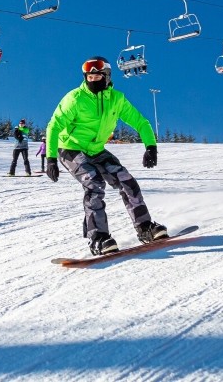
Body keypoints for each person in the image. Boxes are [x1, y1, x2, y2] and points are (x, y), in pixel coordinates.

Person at [45, 56, 167, 255]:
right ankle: (98, 239)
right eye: (89, 77)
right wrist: (50, 158)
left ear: (107, 76)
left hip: (96, 150)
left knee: (126, 180)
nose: (92, 80)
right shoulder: (75, 98)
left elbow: (141, 122)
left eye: (97, 76)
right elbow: (54, 126)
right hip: (70, 147)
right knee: (93, 182)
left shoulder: (116, 99)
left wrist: (150, 147)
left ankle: (145, 228)